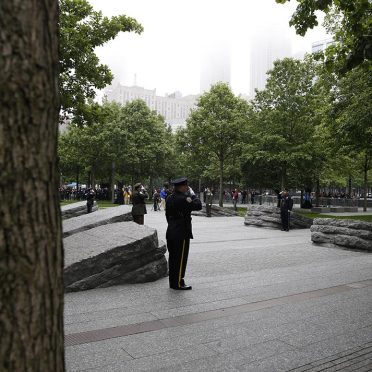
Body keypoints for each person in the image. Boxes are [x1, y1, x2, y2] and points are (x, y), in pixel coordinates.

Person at [166, 177, 202, 290]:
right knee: (180, 259)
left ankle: (173, 282)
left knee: (173, 259)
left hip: (171, 231)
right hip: (181, 233)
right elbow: (198, 205)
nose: (187, 188)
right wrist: (193, 195)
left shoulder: (169, 197)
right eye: (186, 186)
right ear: (181, 187)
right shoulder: (183, 198)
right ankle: (178, 283)